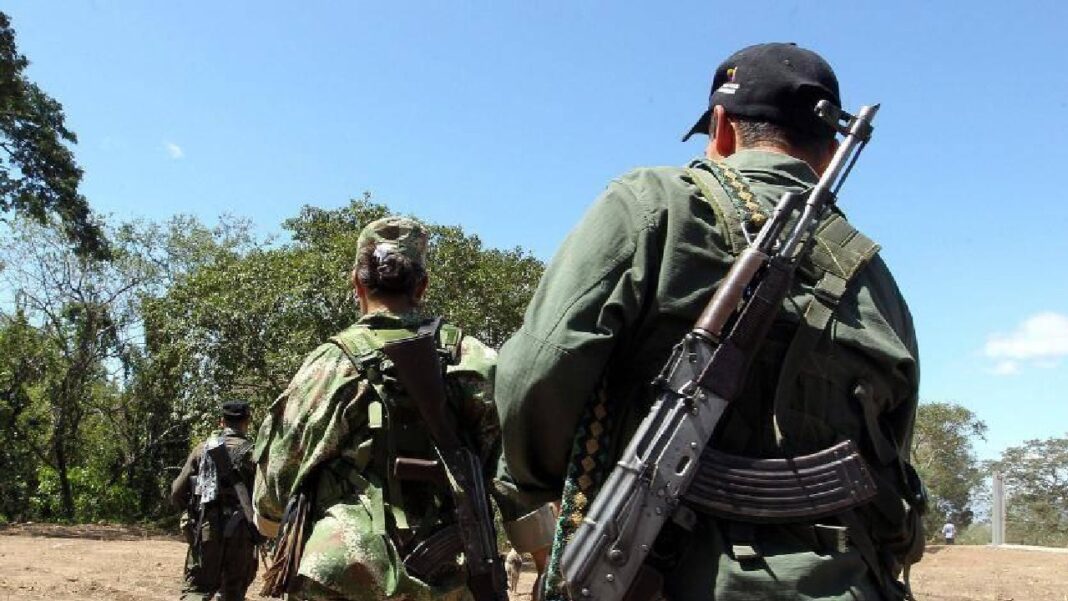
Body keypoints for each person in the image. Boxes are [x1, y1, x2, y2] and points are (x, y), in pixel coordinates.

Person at [495, 43, 924, 600]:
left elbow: (536, 371)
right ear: (830, 150)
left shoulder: (652, 203)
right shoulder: (878, 279)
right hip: (848, 581)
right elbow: (893, 461)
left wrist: (529, 490)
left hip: (666, 575)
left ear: (720, 128)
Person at [253, 216, 555, 601]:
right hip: (446, 580)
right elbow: (513, 477)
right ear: (423, 285)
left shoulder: (330, 363)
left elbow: (278, 476)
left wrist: (272, 523)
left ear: (357, 282)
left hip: (341, 575)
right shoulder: (473, 358)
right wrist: (546, 564)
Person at [170, 400, 260, 601]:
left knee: (197, 589)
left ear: (222, 422)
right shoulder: (256, 453)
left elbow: (177, 492)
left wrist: (190, 513)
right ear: (247, 421)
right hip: (242, 533)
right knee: (233, 593)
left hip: (207, 529)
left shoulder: (202, 450)